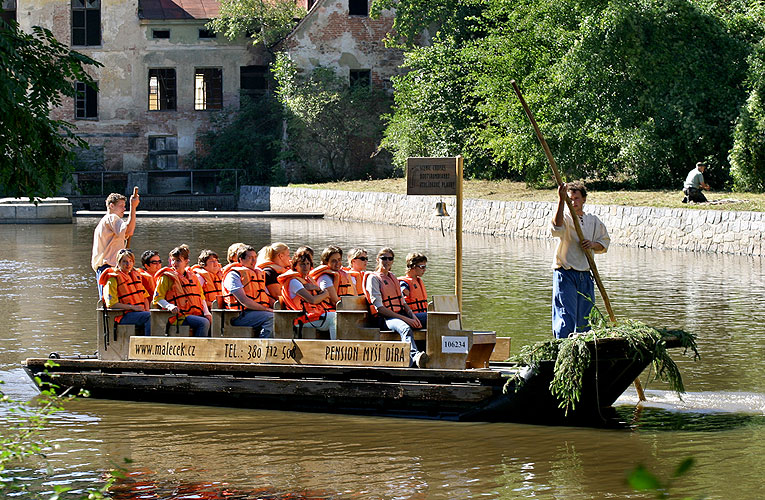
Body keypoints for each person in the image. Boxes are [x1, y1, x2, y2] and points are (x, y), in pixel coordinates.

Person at [551, 181, 610, 339]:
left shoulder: (593, 221)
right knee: (566, 315)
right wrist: (561, 200)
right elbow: (557, 228)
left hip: (585, 274)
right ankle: (563, 347)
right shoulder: (565, 217)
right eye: (570, 199)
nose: (573, 202)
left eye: (576, 198)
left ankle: (583, 348)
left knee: (585, 318)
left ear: (583, 199)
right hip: (566, 272)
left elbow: (604, 243)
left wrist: (592, 244)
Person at [364, 248, 427, 368]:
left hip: (400, 314)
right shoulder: (373, 279)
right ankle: (414, 358)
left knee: (432, 318)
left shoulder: (392, 277)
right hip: (385, 319)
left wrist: (413, 316)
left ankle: (432, 354)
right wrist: (407, 320)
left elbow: (403, 302)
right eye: (384, 258)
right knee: (405, 328)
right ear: (378, 259)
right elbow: (380, 309)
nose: (387, 261)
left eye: (390, 258)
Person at [152, 244, 211, 337]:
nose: (174, 263)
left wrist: (207, 313)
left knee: (211, 321)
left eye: (178, 260)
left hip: (194, 314)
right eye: (173, 260)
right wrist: (169, 306)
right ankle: (199, 349)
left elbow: (201, 296)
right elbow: (157, 298)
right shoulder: (166, 277)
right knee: (203, 323)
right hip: (178, 317)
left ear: (186, 262)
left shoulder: (193, 277)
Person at [278, 249, 337, 339]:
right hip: (300, 319)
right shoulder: (294, 282)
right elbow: (312, 300)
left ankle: (339, 345)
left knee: (339, 316)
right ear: (295, 266)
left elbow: (325, 298)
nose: (305, 267)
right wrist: (325, 294)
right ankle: (335, 347)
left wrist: (317, 288)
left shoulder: (308, 280)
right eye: (302, 264)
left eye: (307, 264)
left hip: (313, 316)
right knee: (334, 318)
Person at [92, 191, 139, 297]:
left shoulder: (104, 222)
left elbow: (126, 232)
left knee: (108, 302)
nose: (124, 209)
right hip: (108, 269)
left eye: (125, 206)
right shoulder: (112, 218)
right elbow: (129, 231)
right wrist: (133, 207)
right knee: (111, 303)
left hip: (106, 269)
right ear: (111, 206)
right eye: (121, 206)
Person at [221, 245, 274, 338]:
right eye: (250, 258)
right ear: (241, 260)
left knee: (281, 316)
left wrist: (281, 309)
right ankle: (264, 347)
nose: (254, 261)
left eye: (255, 257)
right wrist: (266, 309)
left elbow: (266, 296)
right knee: (271, 317)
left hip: (256, 313)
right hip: (238, 316)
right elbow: (244, 300)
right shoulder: (233, 275)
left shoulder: (257, 274)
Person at [98, 248, 151, 336]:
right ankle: (148, 344)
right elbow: (111, 304)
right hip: (121, 316)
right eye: (124, 261)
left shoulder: (134, 276)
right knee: (149, 317)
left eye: (130, 261)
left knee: (153, 315)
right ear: (118, 263)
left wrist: (147, 310)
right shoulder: (112, 279)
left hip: (138, 314)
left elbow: (144, 297)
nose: (128, 264)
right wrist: (132, 307)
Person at [400, 253, 428, 328]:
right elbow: (402, 291)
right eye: (422, 267)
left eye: (425, 267)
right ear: (413, 266)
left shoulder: (418, 281)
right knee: (435, 317)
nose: (424, 270)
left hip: (421, 314)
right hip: (412, 317)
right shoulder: (403, 283)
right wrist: (403, 291)